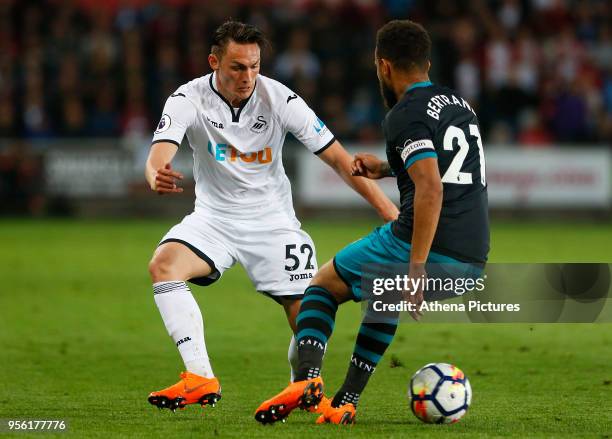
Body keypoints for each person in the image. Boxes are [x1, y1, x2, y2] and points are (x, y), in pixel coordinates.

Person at [145, 21, 398, 411]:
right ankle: (199, 377)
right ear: (214, 62)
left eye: (254, 66)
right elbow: (159, 151)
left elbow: (339, 160)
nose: (247, 76)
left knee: (306, 311)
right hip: (213, 218)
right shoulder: (187, 98)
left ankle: (305, 387)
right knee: (163, 266)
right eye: (236, 67)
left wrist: (391, 214)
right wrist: (156, 173)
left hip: (273, 222)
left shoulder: (280, 99)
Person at [254, 19, 489, 425]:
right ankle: (345, 401)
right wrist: (384, 168)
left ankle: (308, 378)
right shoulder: (457, 103)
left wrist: (417, 266)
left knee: (322, 286)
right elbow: (447, 167)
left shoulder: (404, 113)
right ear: (426, 63)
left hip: (426, 242)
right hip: (472, 257)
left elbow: (431, 188)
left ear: (383, 66)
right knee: (384, 298)